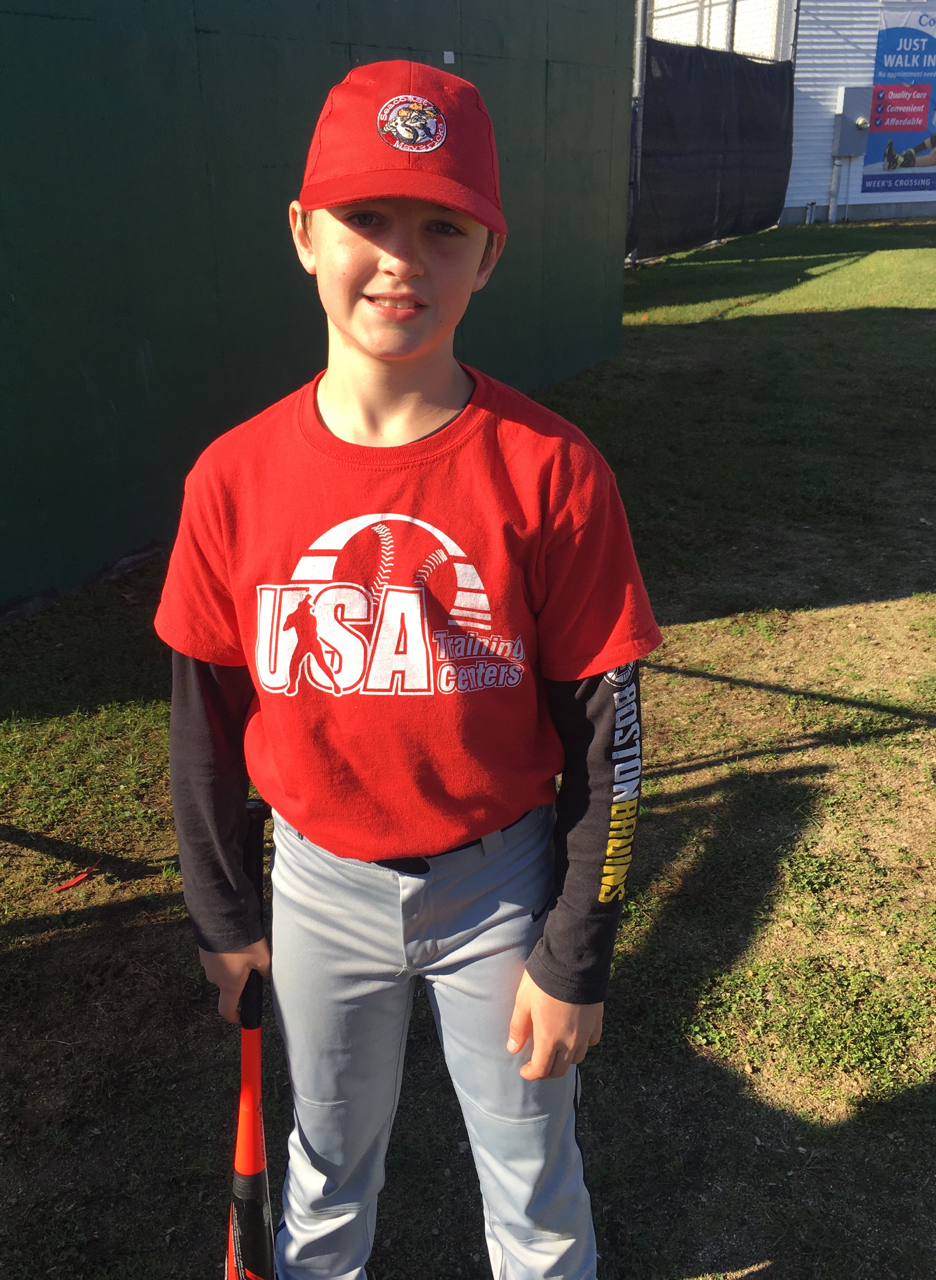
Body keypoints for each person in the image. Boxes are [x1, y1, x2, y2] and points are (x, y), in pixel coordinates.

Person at [155, 59, 661, 1280]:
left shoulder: (552, 469)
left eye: (443, 227)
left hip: (501, 885)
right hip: (317, 883)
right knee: (326, 1168)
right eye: (367, 218)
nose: (400, 259)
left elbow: (611, 733)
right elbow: (205, 724)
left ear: (490, 254)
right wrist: (225, 915)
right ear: (303, 233)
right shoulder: (233, 477)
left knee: (533, 1179)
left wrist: (573, 952)